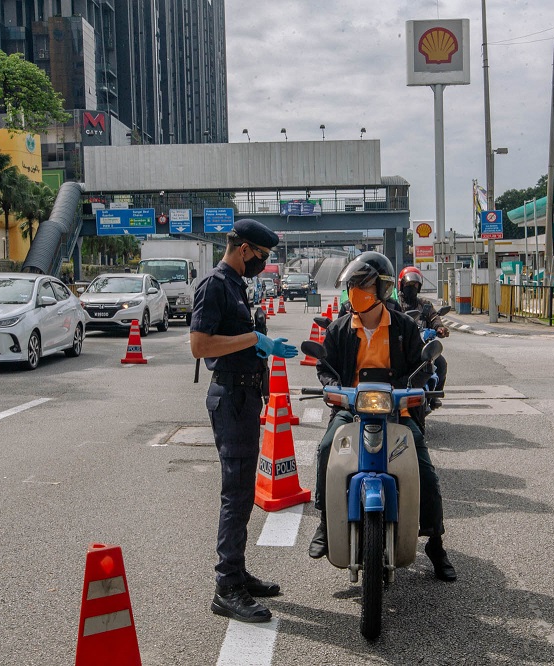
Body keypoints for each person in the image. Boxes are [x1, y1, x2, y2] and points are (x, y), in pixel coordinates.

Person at [307, 252, 456, 581]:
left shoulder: (403, 326)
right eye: (353, 285)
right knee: (325, 450)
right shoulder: (341, 327)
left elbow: (423, 365)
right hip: (352, 410)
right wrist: (333, 388)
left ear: (383, 289)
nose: (355, 291)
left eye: (363, 285)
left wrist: (411, 389)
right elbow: (325, 366)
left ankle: (435, 542)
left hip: (397, 412)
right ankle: (324, 522)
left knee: (426, 472)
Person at [190, 219, 299, 623]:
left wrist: (259, 349)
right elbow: (200, 346)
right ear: (245, 249)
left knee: (242, 491)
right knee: (235, 494)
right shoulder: (216, 285)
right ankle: (226, 588)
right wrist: (254, 340)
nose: (264, 264)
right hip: (231, 397)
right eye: (263, 257)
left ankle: (236, 571)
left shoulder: (237, 285)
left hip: (246, 395)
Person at [397, 266, 449, 409]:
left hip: (422, 345)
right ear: (401, 285)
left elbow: (434, 317)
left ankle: (434, 396)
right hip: (401, 346)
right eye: (409, 285)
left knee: (442, 363)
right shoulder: (396, 304)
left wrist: (439, 328)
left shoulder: (424, 304)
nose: (412, 287)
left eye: (415, 285)